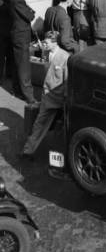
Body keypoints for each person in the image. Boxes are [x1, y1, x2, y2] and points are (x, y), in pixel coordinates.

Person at [20, 31, 71, 159]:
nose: (44, 44)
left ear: (55, 42)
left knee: (63, 131)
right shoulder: (46, 53)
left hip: (60, 99)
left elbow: (67, 81)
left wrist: (65, 100)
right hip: (47, 98)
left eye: (46, 42)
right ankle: (28, 151)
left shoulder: (65, 57)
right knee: (39, 124)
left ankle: (64, 159)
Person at [8, 0, 37, 106]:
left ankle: (17, 89)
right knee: (24, 66)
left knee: (17, 63)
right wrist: (30, 12)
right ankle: (29, 96)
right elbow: (30, 15)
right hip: (21, 35)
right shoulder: (18, 0)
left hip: (16, 34)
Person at [0, 0, 16, 82]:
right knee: (1, 54)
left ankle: (9, 73)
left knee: (10, 52)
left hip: (10, 29)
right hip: (3, 29)